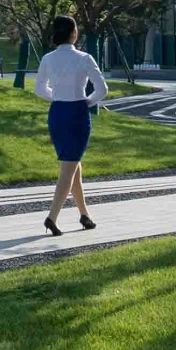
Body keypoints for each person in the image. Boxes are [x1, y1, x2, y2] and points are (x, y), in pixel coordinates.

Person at [32, 15, 106, 236]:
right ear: (74, 33)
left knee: (73, 166)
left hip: (57, 113)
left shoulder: (47, 59)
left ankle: (84, 214)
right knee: (68, 169)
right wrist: (87, 101)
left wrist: (57, 96)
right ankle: (52, 217)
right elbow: (102, 89)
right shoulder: (84, 58)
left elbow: (39, 89)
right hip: (77, 114)